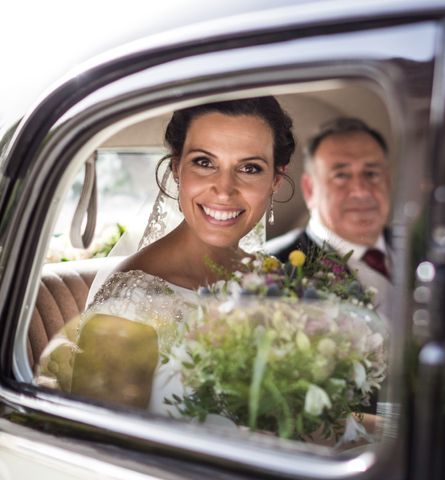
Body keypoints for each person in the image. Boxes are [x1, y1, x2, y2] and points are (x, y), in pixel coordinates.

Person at [36, 97, 295, 413]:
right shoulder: (126, 307)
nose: (224, 189)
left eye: (249, 168)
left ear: (276, 181)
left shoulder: (270, 276)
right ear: (176, 169)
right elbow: (103, 450)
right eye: (204, 162)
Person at [266, 117, 392, 316]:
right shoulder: (275, 268)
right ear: (309, 189)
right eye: (341, 175)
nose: (361, 191)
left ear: (388, 181)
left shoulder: (419, 248)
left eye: (371, 173)